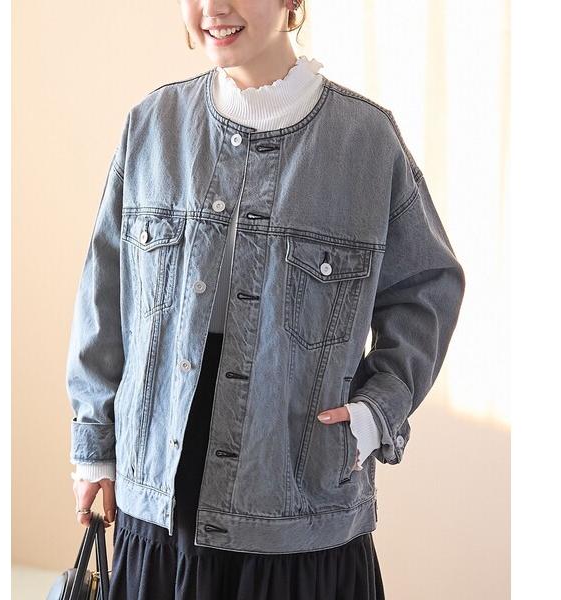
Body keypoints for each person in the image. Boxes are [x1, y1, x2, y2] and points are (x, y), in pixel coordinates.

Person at [66, 1, 466, 598]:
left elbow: (428, 287)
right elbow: (104, 297)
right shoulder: (151, 125)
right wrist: (94, 448)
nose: (213, 8)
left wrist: (375, 411)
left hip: (299, 512)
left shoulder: (365, 141)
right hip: (158, 499)